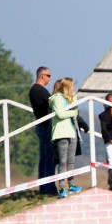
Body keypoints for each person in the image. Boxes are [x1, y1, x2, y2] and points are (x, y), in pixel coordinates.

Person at [48, 77, 83, 199]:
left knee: (71, 160)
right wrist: (73, 113)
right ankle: (62, 187)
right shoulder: (57, 98)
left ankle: (71, 184)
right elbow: (61, 114)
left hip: (71, 132)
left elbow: (75, 109)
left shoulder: (67, 99)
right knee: (62, 161)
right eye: (71, 86)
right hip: (61, 133)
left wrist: (74, 98)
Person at [29, 66, 57, 195]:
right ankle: (49, 187)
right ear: (43, 76)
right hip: (45, 127)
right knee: (49, 158)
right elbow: (53, 104)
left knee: (44, 158)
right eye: (49, 76)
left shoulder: (35, 90)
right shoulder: (40, 91)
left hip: (41, 126)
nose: (50, 79)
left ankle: (44, 186)